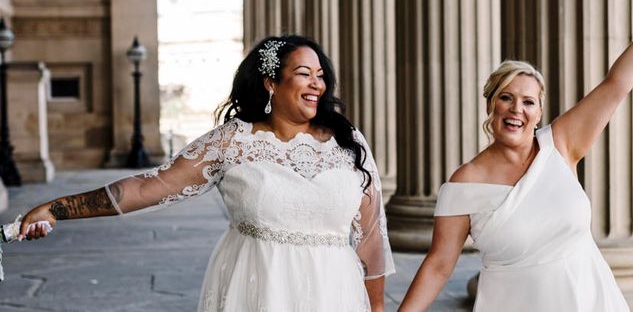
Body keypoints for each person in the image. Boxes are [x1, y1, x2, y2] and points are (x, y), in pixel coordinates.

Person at [20, 34, 395, 312]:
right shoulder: (233, 141)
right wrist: (58, 208)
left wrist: (377, 309)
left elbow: (371, 240)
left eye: (320, 75)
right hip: (257, 290)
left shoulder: (349, 142)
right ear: (271, 83)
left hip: (336, 293)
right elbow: (149, 187)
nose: (318, 84)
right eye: (303, 74)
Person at [398, 0, 633, 312]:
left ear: (539, 112)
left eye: (528, 102)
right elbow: (438, 266)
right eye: (506, 97)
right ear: (490, 105)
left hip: (590, 301)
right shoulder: (464, 182)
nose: (516, 110)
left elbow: (617, 84)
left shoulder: (561, 145)